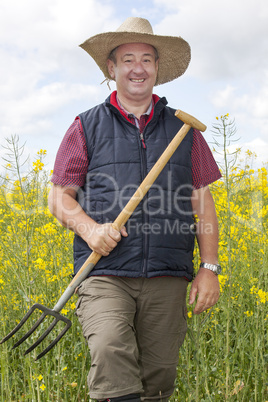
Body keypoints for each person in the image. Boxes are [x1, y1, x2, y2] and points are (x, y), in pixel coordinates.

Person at [48, 17, 221, 402]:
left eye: (146, 59)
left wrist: (209, 269)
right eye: (127, 59)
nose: (137, 68)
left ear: (157, 68)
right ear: (112, 68)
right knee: (110, 348)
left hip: (167, 274)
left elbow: (203, 206)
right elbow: (59, 198)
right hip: (104, 272)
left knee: (158, 379)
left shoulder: (185, 132)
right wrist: (91, 229)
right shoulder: (85, 126)